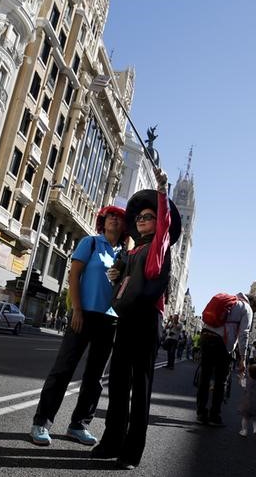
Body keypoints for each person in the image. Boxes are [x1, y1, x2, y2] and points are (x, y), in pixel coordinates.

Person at [92, 167, 181, 470]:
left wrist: (163, 188)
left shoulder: (159, 246)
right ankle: (111, 441)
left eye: (149, 217)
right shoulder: (132, 251)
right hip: (127, 318)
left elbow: (166, 221)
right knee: (117, 382)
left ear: (158, 222)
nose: (142, 221)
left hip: (146, 319)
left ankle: (131, 452)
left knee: (140, 388)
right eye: (139, 218)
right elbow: (120, 284)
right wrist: (115, 274)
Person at [29, 205, 127, 447]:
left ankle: (78, 425)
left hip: (110, 319)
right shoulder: (91, 243)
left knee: (95, 378)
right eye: (110, 217)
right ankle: (42, 422)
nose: (114, 220)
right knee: (63, 369)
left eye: (119, 218)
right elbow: (74, 276)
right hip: (83, 315)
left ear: (125, 226)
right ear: (102, 222)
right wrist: (77, 309)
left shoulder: (125, 255)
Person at [195, 292, 256, 426]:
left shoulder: (229, 300)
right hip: (222, 343)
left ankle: (201, 413)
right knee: (220, 380)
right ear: (253, 305)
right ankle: (214, 416)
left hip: (206, 336)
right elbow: (244, 334)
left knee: (205, 376)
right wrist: (243, 358)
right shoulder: (247, 308)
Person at [238, 363, 256, 440]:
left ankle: (244, 430)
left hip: (246, 404)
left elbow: (240, 383)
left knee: (245, 418)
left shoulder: (246, 381)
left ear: (249, 374)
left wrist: (241, 377)